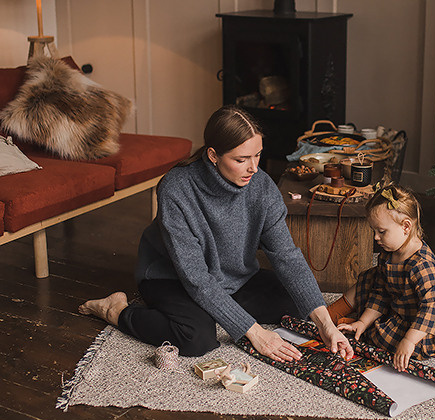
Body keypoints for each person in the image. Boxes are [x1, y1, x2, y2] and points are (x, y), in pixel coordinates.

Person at [79, 105, 352, 364]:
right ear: (213, 155)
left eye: (257, 155)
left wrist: (326, 324)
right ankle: (116, 310)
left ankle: (220, 309)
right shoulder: (176, 189)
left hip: (232, 276)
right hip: (172, 278)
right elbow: (195, 278)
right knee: (197, 339)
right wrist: (255, 333)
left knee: (302, 301)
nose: (254, 168)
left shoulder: (262, 187)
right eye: (241, 159)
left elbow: (286, 256)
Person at [327, 182, 435, 371]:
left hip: (424, 323)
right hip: (400, 304)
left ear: (406, 226)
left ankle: (361, 324)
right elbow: (380, 292)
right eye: (373, 231)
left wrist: (409, 340)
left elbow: (431, 309)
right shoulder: (388, 253)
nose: (376, 237)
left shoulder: (422, 265)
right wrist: (363, 321)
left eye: (381, 232)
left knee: (386, 338)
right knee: (370, 278)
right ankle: (345, 318)